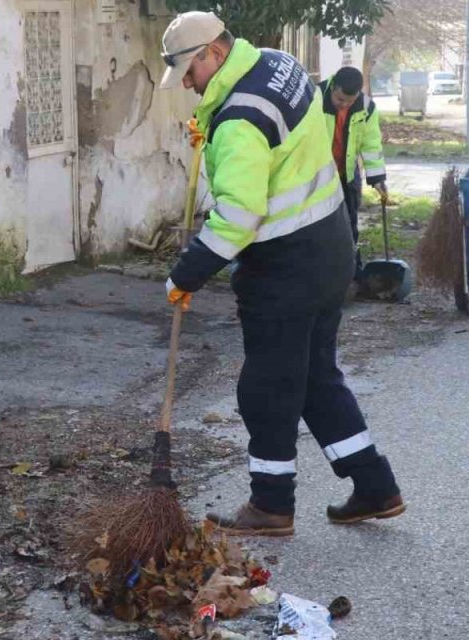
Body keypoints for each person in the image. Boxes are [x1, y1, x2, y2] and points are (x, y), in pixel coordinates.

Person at [158, 12, 405, 536]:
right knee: (316, 376)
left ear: (214, 55)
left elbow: (239, 217)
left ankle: (271, 506)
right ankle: (375, 486)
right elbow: (287, 151)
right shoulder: (280, 65)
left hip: (285, 266)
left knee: (267, 388)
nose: (185, 82)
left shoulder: (238, 122)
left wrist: (187, 274)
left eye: (188, 70)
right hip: (332, 245)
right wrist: (216, 122)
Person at [320, 66, 387, 281]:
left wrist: (377, 179)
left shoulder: (366, 107)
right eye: (340, 100)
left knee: (349, 226)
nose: (344, 105)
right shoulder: (313, 98)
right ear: (333, 87)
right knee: (317, 227)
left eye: (350, 101)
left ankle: (351, 275)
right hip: (315, 177)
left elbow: (371, 144)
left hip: (346, 175)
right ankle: (318, 275)